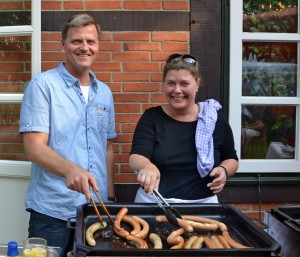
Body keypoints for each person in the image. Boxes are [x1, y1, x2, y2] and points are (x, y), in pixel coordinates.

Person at [19, 14, 116, 257]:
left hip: (96, 210)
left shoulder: (104, 92)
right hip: (53, 212)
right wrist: (71, 170)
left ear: (98, 46)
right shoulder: (43, 86)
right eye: (76, 41)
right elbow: (34, 148)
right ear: (63, 44)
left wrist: (110, 196)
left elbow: (107, 148)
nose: (84, 47)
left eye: (91, 41)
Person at [129, 53, 239, 203]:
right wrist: (147, 166)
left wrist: (224, 170)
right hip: (154, 203)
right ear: (164, 84)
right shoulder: (152, 117)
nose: (177, 90)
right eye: (171, 83)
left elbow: (231, 158)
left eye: (184, 84)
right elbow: (136, 157)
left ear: (197, 84)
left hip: (204, 206)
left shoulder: (214, 119)